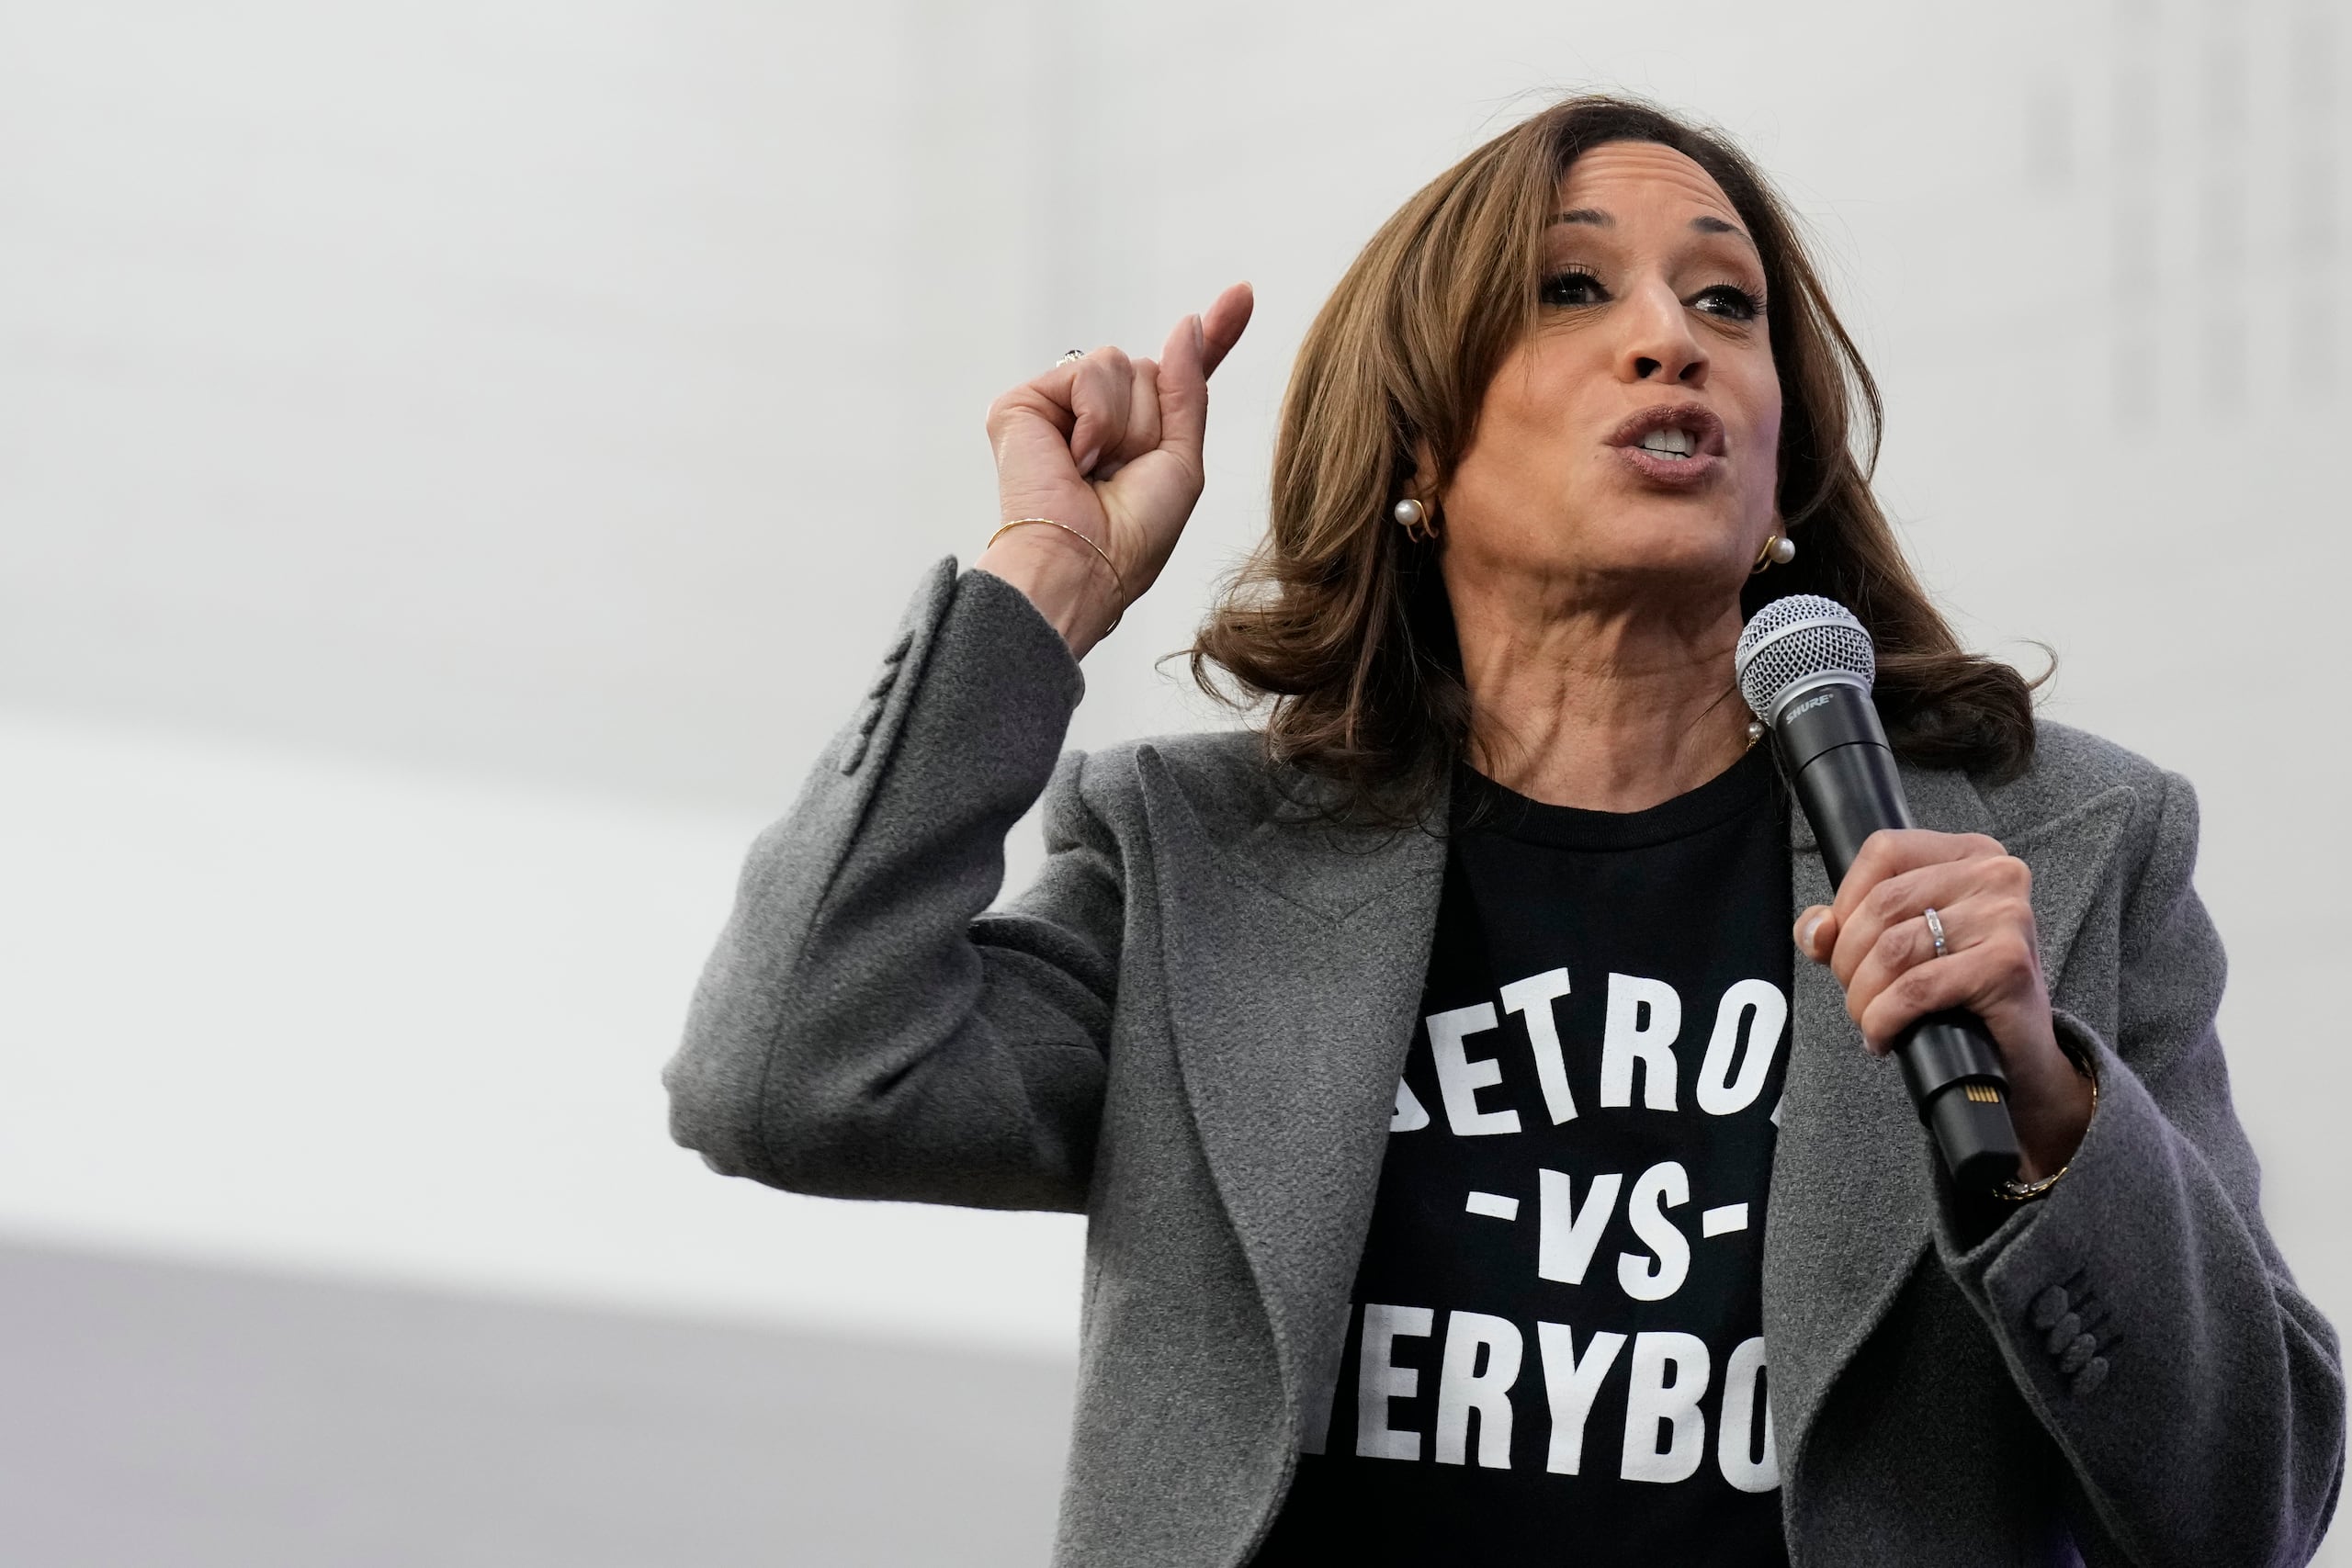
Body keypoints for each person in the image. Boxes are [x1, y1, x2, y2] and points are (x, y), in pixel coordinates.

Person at [662, 96, 2344, 1565]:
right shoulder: (1201, 866)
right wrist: (1041, 588)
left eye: (1725, 301)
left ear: (1781, 472)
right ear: (1418, 446)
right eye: (1571, 289)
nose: (1668, 337)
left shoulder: (2059, 853)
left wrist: (2052, 1113)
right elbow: (790, 1076)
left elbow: (2250, 1507)